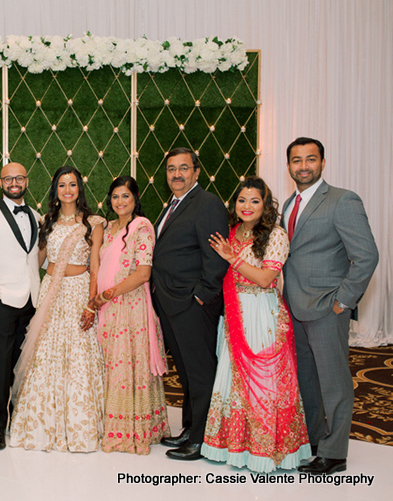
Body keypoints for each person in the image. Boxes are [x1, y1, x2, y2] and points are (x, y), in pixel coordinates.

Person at [281, 137, 378, 475]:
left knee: (333, 382)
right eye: (296, 160)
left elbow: (366, 257)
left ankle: (335, 454)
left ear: (323, 163)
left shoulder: (342, 200)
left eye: (310, 159)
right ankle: (312, 441)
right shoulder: (289, 204)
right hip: (295, 307)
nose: (303, 166)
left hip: (326, 308)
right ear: (289, 165)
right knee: (307, 380)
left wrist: (343, 301)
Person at [201, 176, 311, 472]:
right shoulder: (231, 233)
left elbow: (265, 278)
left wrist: (231, 258)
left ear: (266, 205)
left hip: (263, 314)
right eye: (241, 200)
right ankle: (234, 446)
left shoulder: (275, 235)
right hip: (235, 312)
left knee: (265, 383)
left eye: (254, 200)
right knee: (232, 379)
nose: (246, 206)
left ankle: (265, 449)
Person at [9, 166, 105, 452]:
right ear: (55, 189)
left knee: (78, 357)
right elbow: (35, 260)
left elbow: (95, 265)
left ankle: (78, 427)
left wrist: (91, 303)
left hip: (77, 292)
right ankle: (40, 426)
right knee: (45, 357)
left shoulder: (93, 222)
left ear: (79, 189)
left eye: (72, 184)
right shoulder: (46, 221)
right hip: (51, 292)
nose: (67, 190)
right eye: (62, 185)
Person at [151, 147, 229, 461]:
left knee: (200, 373)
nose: (177, 174)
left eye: (184, 168)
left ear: (196, 171)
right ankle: (189, 428)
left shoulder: (207, 203)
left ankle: (201, 440)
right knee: (185, 373)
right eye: (171, 169)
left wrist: (200, 296)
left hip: (191, 305)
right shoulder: (172, 205)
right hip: (169, 303)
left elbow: (215, 259)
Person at [88, 176, 169, 455]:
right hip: (107, 308)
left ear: (135, 198)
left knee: (127, 367)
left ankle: (132, 429)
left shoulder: (142, 226)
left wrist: (109, 294)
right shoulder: (108, 228)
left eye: (126, 196)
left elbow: (143, 273)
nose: (120, 201)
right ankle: (110, 424)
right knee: (110, 364)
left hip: (129, 306)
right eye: (115, 197)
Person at [0, 162, 41, 451]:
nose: (14, 182)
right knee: (1, 366)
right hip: (3, 301)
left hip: (33, 301)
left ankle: (20, 419)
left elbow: (38, 258)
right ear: (0, 182)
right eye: (8, 178)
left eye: (19, 178)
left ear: (26, 180)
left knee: (24, 365)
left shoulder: (37, 216)